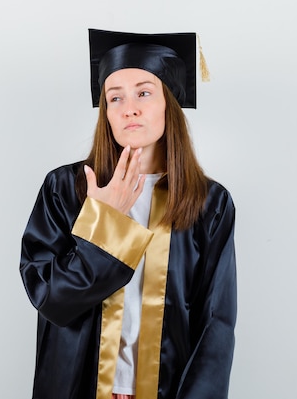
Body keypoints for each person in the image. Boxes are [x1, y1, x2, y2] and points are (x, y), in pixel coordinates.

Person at [19, 28, 237, 399]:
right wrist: (105, 220)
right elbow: (51, 298)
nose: (129, 108)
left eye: (144, 93)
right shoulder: (65, 189)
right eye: (114, 97)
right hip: (77, 386)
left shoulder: (207, 202)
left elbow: (215, 325)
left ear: (170, 101)